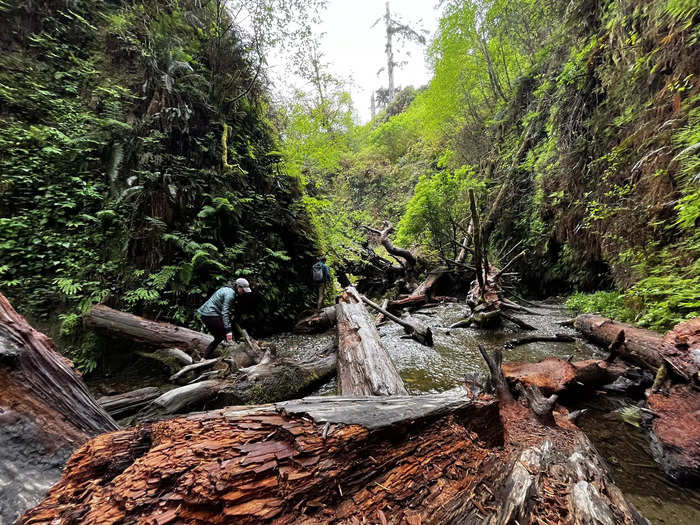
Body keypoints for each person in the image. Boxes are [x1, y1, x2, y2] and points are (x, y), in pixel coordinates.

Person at [197, 278, 252, 358]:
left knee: (219, 337)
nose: (244, 292)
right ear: (238, 287)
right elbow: (225, 313)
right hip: (210, 314)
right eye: (243, 290)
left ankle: (204, 358)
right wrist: (228, 330)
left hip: (207, 314)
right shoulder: (230, 294)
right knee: (224, 333)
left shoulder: (228, 288)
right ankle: (230, 354)